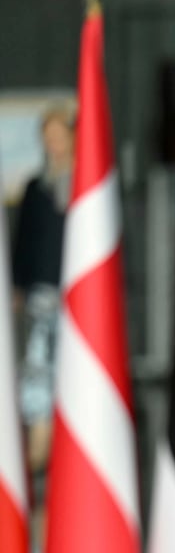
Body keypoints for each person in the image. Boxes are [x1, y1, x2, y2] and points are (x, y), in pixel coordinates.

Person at [11, 103, 74, 473]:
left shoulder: (87, 181)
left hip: (76, 293)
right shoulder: (36, 187)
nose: (53, 144)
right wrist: (18, 285)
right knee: (38, 367)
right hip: (40, 292)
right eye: (47, 137)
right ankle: (39, 443)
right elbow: (24, 240)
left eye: (59, 136)